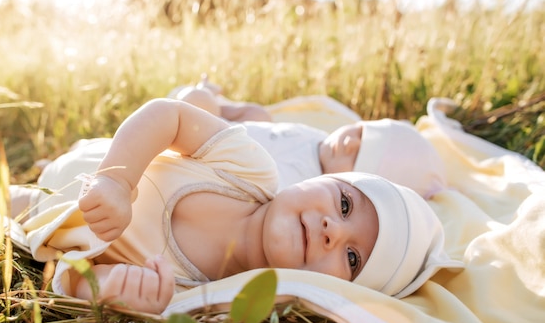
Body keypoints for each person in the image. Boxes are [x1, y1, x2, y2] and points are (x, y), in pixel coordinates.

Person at [0, 98, 461, 315]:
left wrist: (117, 291)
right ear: (324, 179)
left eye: (352, 256)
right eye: (343, 203)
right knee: (23, 179)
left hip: (46, 222)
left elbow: (71, 276)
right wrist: (117, 180)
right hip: (101, 161)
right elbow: (168, 114)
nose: (331, 230)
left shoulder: (209, 295)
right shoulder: (250, 170)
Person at [171, 79, 447, 198]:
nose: (349, 143)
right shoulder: (324, 138)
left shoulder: (310, 184)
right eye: (360, 133)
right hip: (244, 128)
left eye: (360, 156)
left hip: (218, 147)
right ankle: (220, 104)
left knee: (194, 100)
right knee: (259, 113)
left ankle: (205, 98)